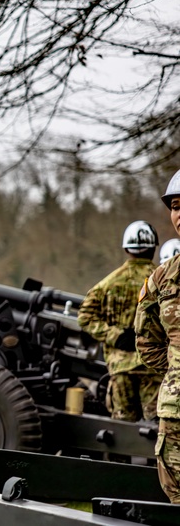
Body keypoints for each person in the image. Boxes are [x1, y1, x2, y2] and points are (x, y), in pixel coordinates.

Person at [79, 221, 162, 422]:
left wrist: (116, 336)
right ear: (153, 248)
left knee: (122, 429)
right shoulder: (163, 280)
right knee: (158, 427)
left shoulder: (108, 283)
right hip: (154, 366)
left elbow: (85, 317)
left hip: (121, 368)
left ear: (126, 249)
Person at [135, 170, 180, 504]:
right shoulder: (163, 276)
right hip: (176, 414)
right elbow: (146, 337)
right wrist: (175, 373)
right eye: (176, 206)